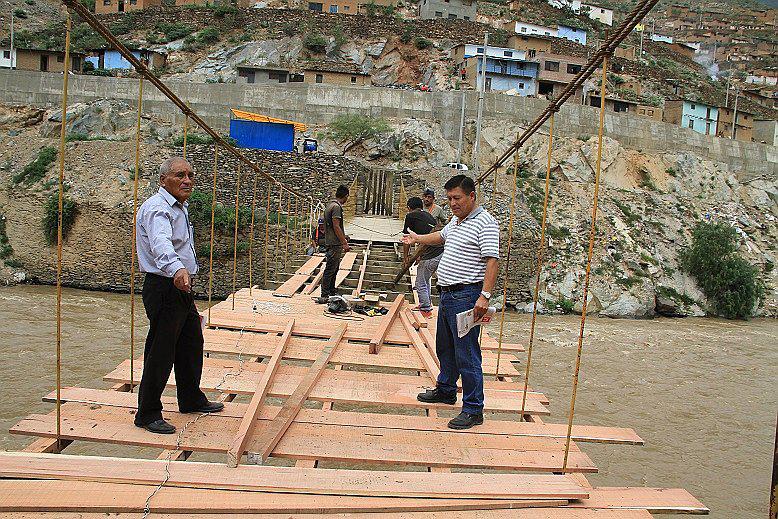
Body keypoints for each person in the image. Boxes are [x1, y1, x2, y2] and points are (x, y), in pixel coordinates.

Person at [133, 157, 224, 434]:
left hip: (178, 285)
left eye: (190, 175)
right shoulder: (157, 209)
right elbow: (161, 244)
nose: (187, 180)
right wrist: (177, 269)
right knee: (161, 350)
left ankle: (190, 397)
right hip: (164, 285)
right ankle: (147, 413)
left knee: (191, 343)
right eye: (179, 175)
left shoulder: (178, 207)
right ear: (163, 180)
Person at [402, 175, 499, 430]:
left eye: (457, 198)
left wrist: (484, 296)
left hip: (467, 296)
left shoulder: (485, 223)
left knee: (466, 352)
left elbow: (492, 261)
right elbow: (440, 237)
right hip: (447, 295)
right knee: (444, 346)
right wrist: (417, 239)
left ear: (471, 196)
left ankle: (473, 408)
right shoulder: (457, 221)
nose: (453, 203)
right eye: (449, 199)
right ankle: (446, 389)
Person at [402, 196, 444, 319]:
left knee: (420, 282)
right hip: (440, 252)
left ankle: (425, 309)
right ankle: (426, 304)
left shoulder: (410, 216)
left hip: (430, 254)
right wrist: (419, 256)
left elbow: (406, 238)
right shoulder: (428, 215)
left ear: (409, 208)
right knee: (426, 279)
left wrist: (406, 258)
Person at [316, 184, 350, 304]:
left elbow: (331, 226)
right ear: (345, 196)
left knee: (334, 268)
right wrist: (344, 242)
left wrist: (343, 236)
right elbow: (336, 225)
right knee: (330, 269)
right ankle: (325, 294)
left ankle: (331, 291)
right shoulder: (336, 207)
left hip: (330, 241)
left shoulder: (330, 205)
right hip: (335, 243)